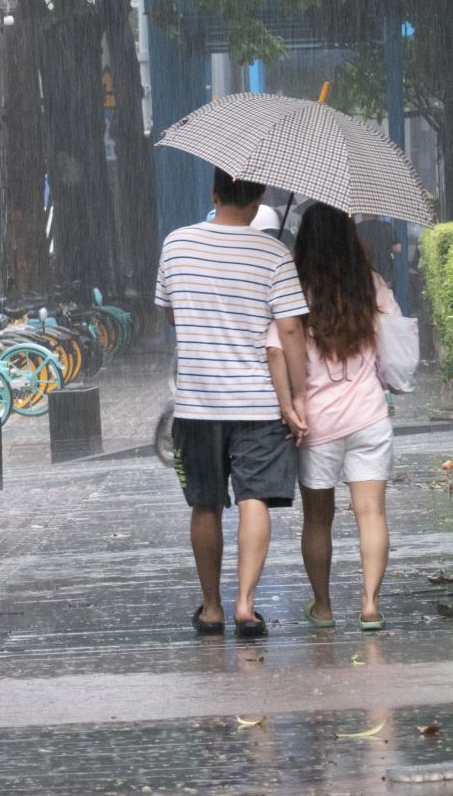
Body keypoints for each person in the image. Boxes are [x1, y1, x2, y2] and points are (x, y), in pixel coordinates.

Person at [155, 168, 309, 639]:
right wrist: (299, 396)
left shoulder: (177, 244)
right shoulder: (274, 253)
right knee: (253, 498)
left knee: (205, 505)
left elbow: (170, 309)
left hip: (198, 404)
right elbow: (288, 330)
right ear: (260, 196)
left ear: (213, 193)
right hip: (260, 404)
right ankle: (246, 604)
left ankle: (211, 608)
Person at [266, 203, 399, 632]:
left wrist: (290, 402)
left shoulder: (295, 290)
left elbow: (274, 350)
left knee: (317, 519)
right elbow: (394, 345)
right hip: (369, 416)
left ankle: (322, 607)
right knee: (371, 514)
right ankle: (370, 604)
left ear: (304, 242)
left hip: (316, 422)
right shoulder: (371, 285)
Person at [355, 214, 402, 290]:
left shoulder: (357, 229)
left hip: (364, 275)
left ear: (363, 215)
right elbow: (398, 248)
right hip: (384, 275)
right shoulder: (387, 227)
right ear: (378, 215)